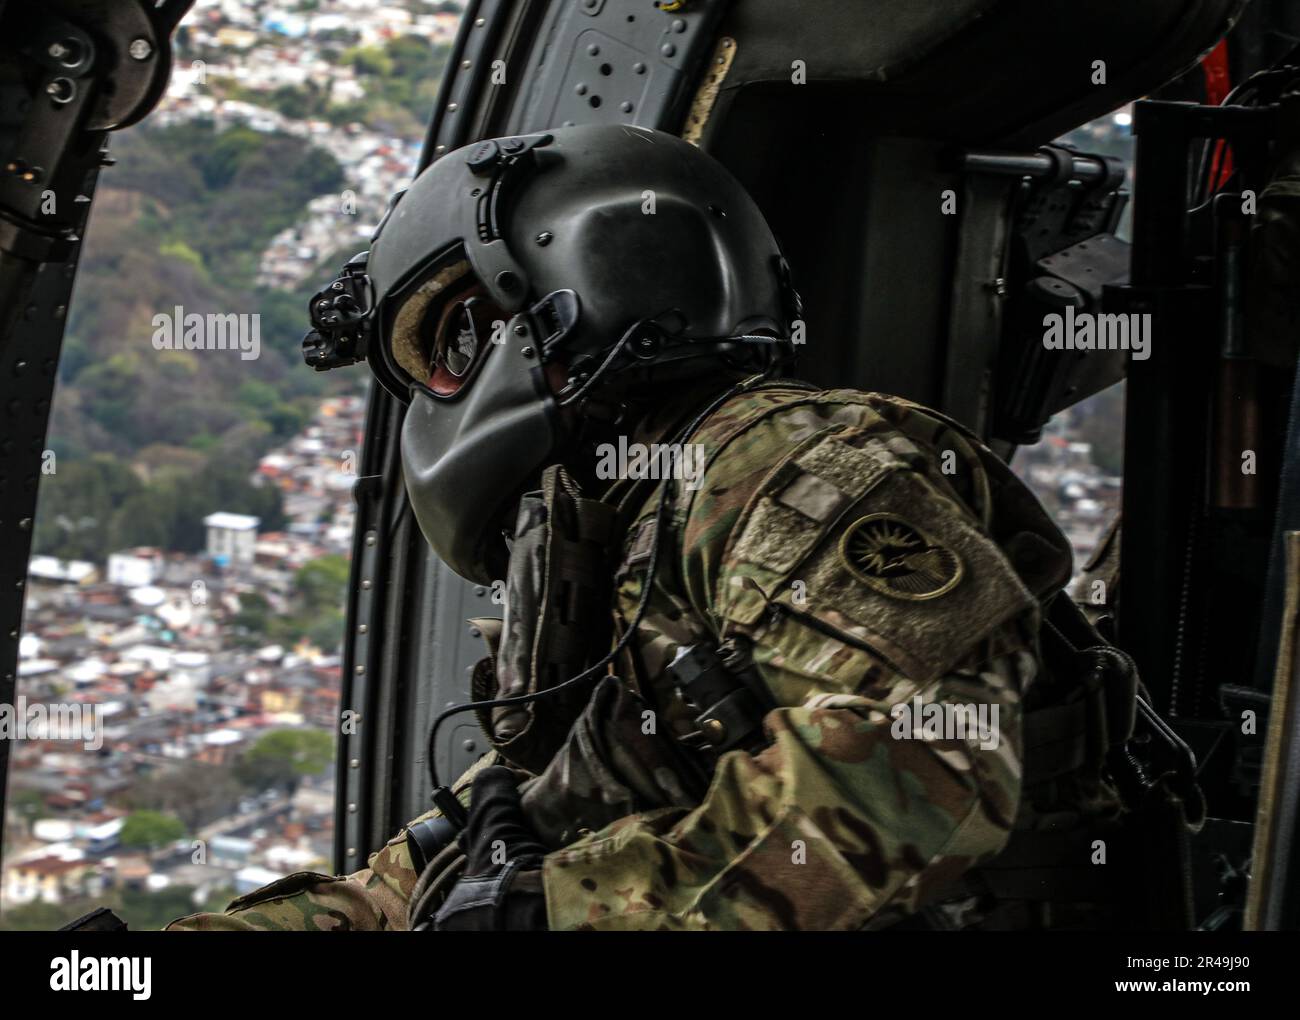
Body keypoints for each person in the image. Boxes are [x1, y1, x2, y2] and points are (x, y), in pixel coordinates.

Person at [168, 124, 1136, 932]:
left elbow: (913, 772)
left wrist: (557, 915)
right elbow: (481, 859)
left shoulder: (796, 469)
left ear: (572, 288)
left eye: (457, 340)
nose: (445, 394)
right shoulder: (606, 523)